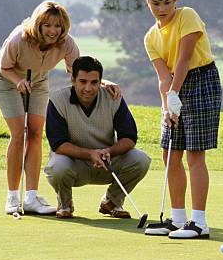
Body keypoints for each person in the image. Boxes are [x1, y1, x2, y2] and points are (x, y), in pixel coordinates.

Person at [0, 1, 121, 216]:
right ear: (38, 25)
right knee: (19, 134)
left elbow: (78, 72)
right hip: (6, 79)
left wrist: (103, 82)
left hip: (38, 81)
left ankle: (31, 197)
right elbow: (4, 67)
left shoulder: (66, 43)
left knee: (35, 133)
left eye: (58, 26)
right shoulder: (19, 39)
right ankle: (12, 197)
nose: (53, 31)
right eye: (47, 25)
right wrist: (18, 82)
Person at [142, 0, 222, 239]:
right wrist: (167, 105)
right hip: (175, 86)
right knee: (169, 154)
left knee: (194, 154)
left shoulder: (187, 15)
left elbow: (185, 59)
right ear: (148, 2)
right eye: (156, 3)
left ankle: (199, 222)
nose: (162, 8)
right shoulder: (151, 37)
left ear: (175, 0)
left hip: (201, 80)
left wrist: (175, 92)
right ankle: (177, 220)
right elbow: (163, 75)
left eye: (167, 2)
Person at [44, 56, 151, 219]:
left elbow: (129, 137)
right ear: (73, 80)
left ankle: (112, 202)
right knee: (58, 166)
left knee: (141, 160)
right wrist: (90, 153)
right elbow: (58, 144)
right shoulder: (58, 100)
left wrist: (109, 151)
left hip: (107, 162)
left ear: (101, 81)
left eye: (94, 82)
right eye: (83, 81)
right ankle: (65, 204)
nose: (88, 88)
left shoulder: (113, 98)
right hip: (74, 163)